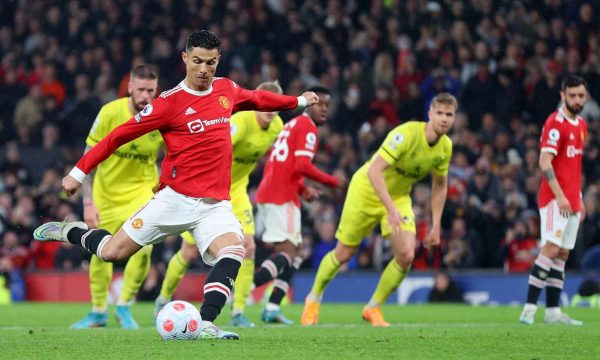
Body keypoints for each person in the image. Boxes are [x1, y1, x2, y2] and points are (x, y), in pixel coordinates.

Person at [32, 30, 318, 340]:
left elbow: (259, 98)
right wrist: (78, 172)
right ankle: (70, 231)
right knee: (113, 252)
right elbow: (116, 137)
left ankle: (207, 323)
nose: (204, 69)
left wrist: (299, 100)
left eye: (210, 62)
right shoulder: (169, 103)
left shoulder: (226, 90)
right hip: (174, 200)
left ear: (218, 61)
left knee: (234, 250)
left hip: (215, 205)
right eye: (197, 61)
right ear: (185, 59)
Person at [301, 93, 457, 327]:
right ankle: (313, 299)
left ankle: (373, 307)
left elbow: (440, 186)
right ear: (430, 114)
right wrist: (391, 209)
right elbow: (375, 171)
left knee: (406, 255)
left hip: (398, 197)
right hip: (366, 190)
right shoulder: (406, 134)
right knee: (344, 253)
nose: (444, 119)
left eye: (449, 114)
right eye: (440, 113)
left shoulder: (445, 147)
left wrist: (436, 225)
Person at [68, 64, 194, 329]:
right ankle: (98, 311)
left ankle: (124, 306)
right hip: (106, 195)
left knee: (144, 248)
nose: (146, 96)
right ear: (130, 88)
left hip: (141, 192)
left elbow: (177, 153)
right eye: (141, 90)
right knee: (100, 250)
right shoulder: (110, 113)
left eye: (151, 90)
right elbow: (89, 156)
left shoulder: (162, 114)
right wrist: (88, 201)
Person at [153, 80, 286, 328]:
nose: (270, 114)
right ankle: (163, 298)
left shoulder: (277, 127)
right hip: (209, 189)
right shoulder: (239, 124)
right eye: (266, 107)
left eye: (274, 109)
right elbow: (211, 147)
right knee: (188, 253)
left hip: (236, 190)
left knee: (248, 246)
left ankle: (238, 311)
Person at [253, 85, 344, 324]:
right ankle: (242, 287)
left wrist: (304, 190)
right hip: (280, 196)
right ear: (309, 104)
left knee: (294, 255)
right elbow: (301, 166)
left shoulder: (291, 125)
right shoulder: (307, 127)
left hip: (279, 192)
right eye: (319, 103)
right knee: (288, 253)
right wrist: (332, 180)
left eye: (327, 105)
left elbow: (287, 166)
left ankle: (272, 307)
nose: (324, 109)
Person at [519, 76, 588, 326]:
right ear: (563, 96)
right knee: (549, 248)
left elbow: (573, 166)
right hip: (554, 199)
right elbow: (544, 162)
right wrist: (560, 196)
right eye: (572, 95)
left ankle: (553, 312)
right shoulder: (555, 123)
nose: (577, 100)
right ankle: (528, 309)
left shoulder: (581, 124)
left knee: (562, 254)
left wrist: (578, 197)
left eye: (581, 95)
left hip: (572, 198)